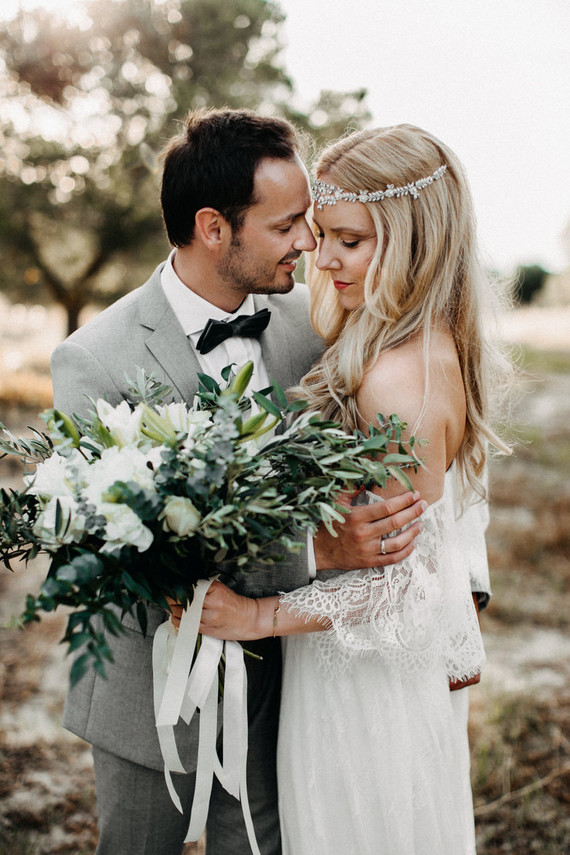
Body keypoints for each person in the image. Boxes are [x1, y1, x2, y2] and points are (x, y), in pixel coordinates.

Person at [49, 109, 428, 855]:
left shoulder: (313, 324)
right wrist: (319, 550)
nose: (309, 243)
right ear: (214, 228)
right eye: (287, 225)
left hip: (288, 694)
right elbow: (121, 554)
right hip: (149, 696)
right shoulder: (93, 360)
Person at [195, 123, 510, 854]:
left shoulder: (399, 376)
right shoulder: (396, 339)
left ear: (411, 241)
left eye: (348, 239)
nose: (321, 255)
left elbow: (412, 584)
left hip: (367, 690)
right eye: (317, 233)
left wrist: (256, 614)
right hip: (352, 667)